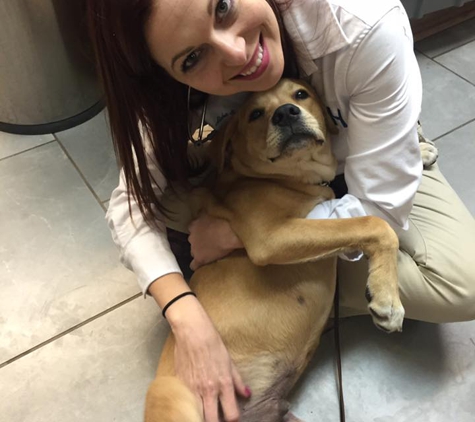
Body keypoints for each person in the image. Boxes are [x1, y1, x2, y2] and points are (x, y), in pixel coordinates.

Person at [86, 0, 475, 421]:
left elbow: (381, 209)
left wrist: (240, 235)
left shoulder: (360, 25)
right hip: (283, 189)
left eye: (223, 7)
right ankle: (296, 285)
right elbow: (130, 204)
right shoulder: (181, 104)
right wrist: (185, 315)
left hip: (364, 149)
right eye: (193, 57)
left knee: (462, 282)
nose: (235, 52)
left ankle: (290, 279)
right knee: (173, 206)